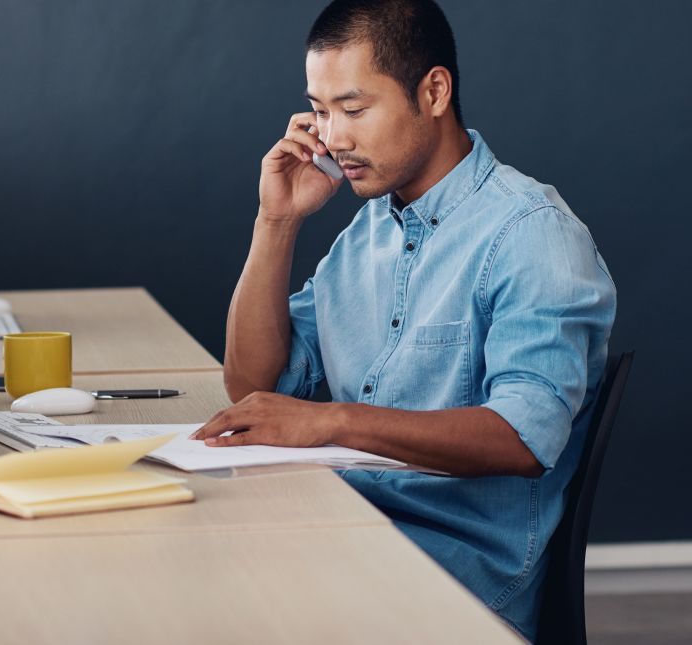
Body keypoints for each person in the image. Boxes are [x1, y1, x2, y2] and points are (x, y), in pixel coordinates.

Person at [190, 0, 616, 639]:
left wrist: (334, 420)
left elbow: (524, 437)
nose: (332, 138)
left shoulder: (533, 235)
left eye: (355, 110)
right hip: (349, 525)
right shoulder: (367, 234)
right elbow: (253, 381)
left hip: (455, 576)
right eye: (322, 110)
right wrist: (276, 221)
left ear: (434, 91)